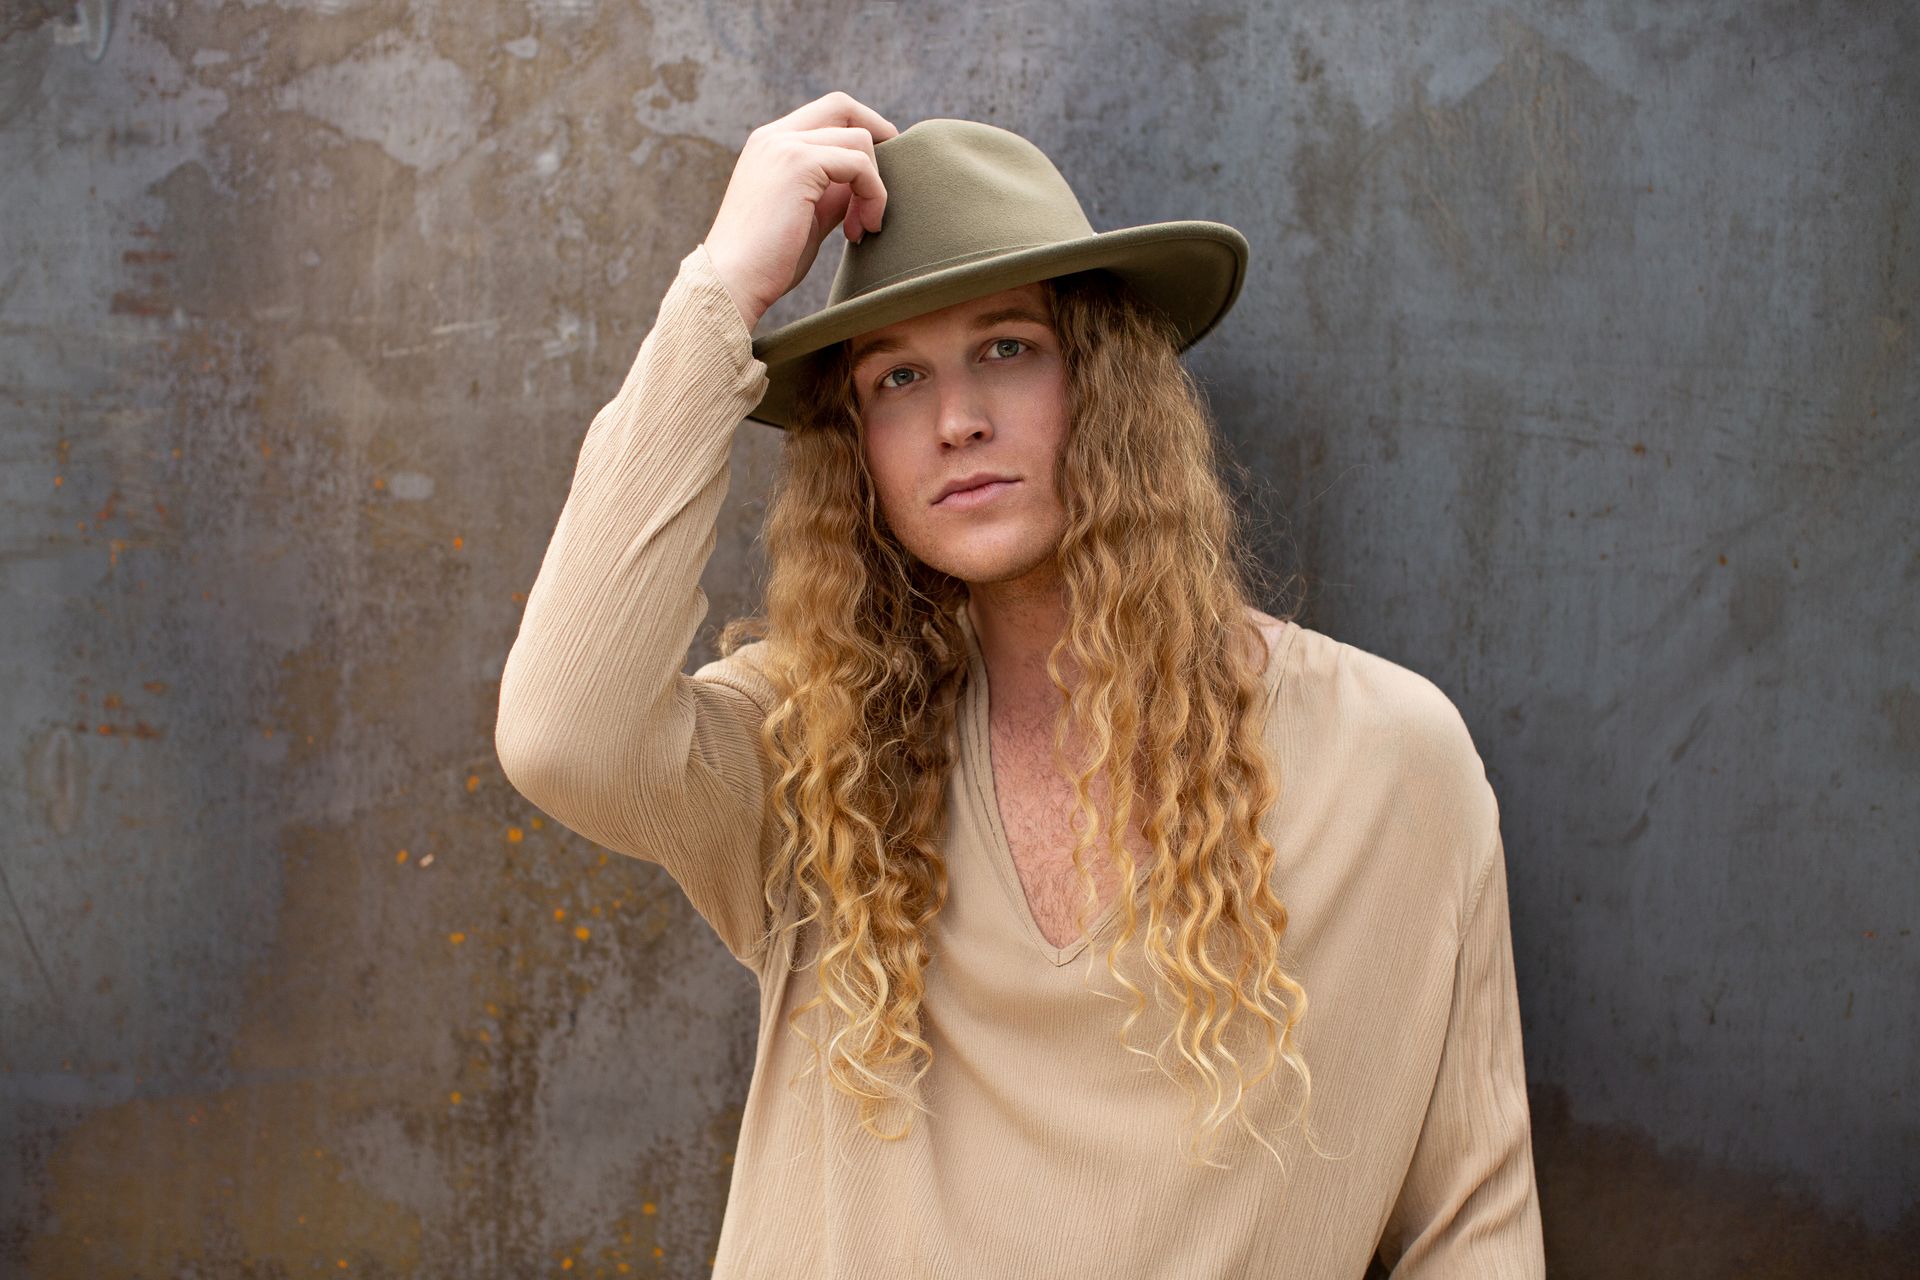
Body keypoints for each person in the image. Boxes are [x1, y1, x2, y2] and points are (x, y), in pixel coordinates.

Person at [495, 90, 1544, 1279]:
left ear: (1105, 385)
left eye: (1007, 348)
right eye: (894, 379)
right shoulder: (818, 747)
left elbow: (1473, 1227)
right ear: (858, 453)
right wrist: (719, 296)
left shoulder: (1392, 758)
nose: (956, 419)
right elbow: (561, 734)